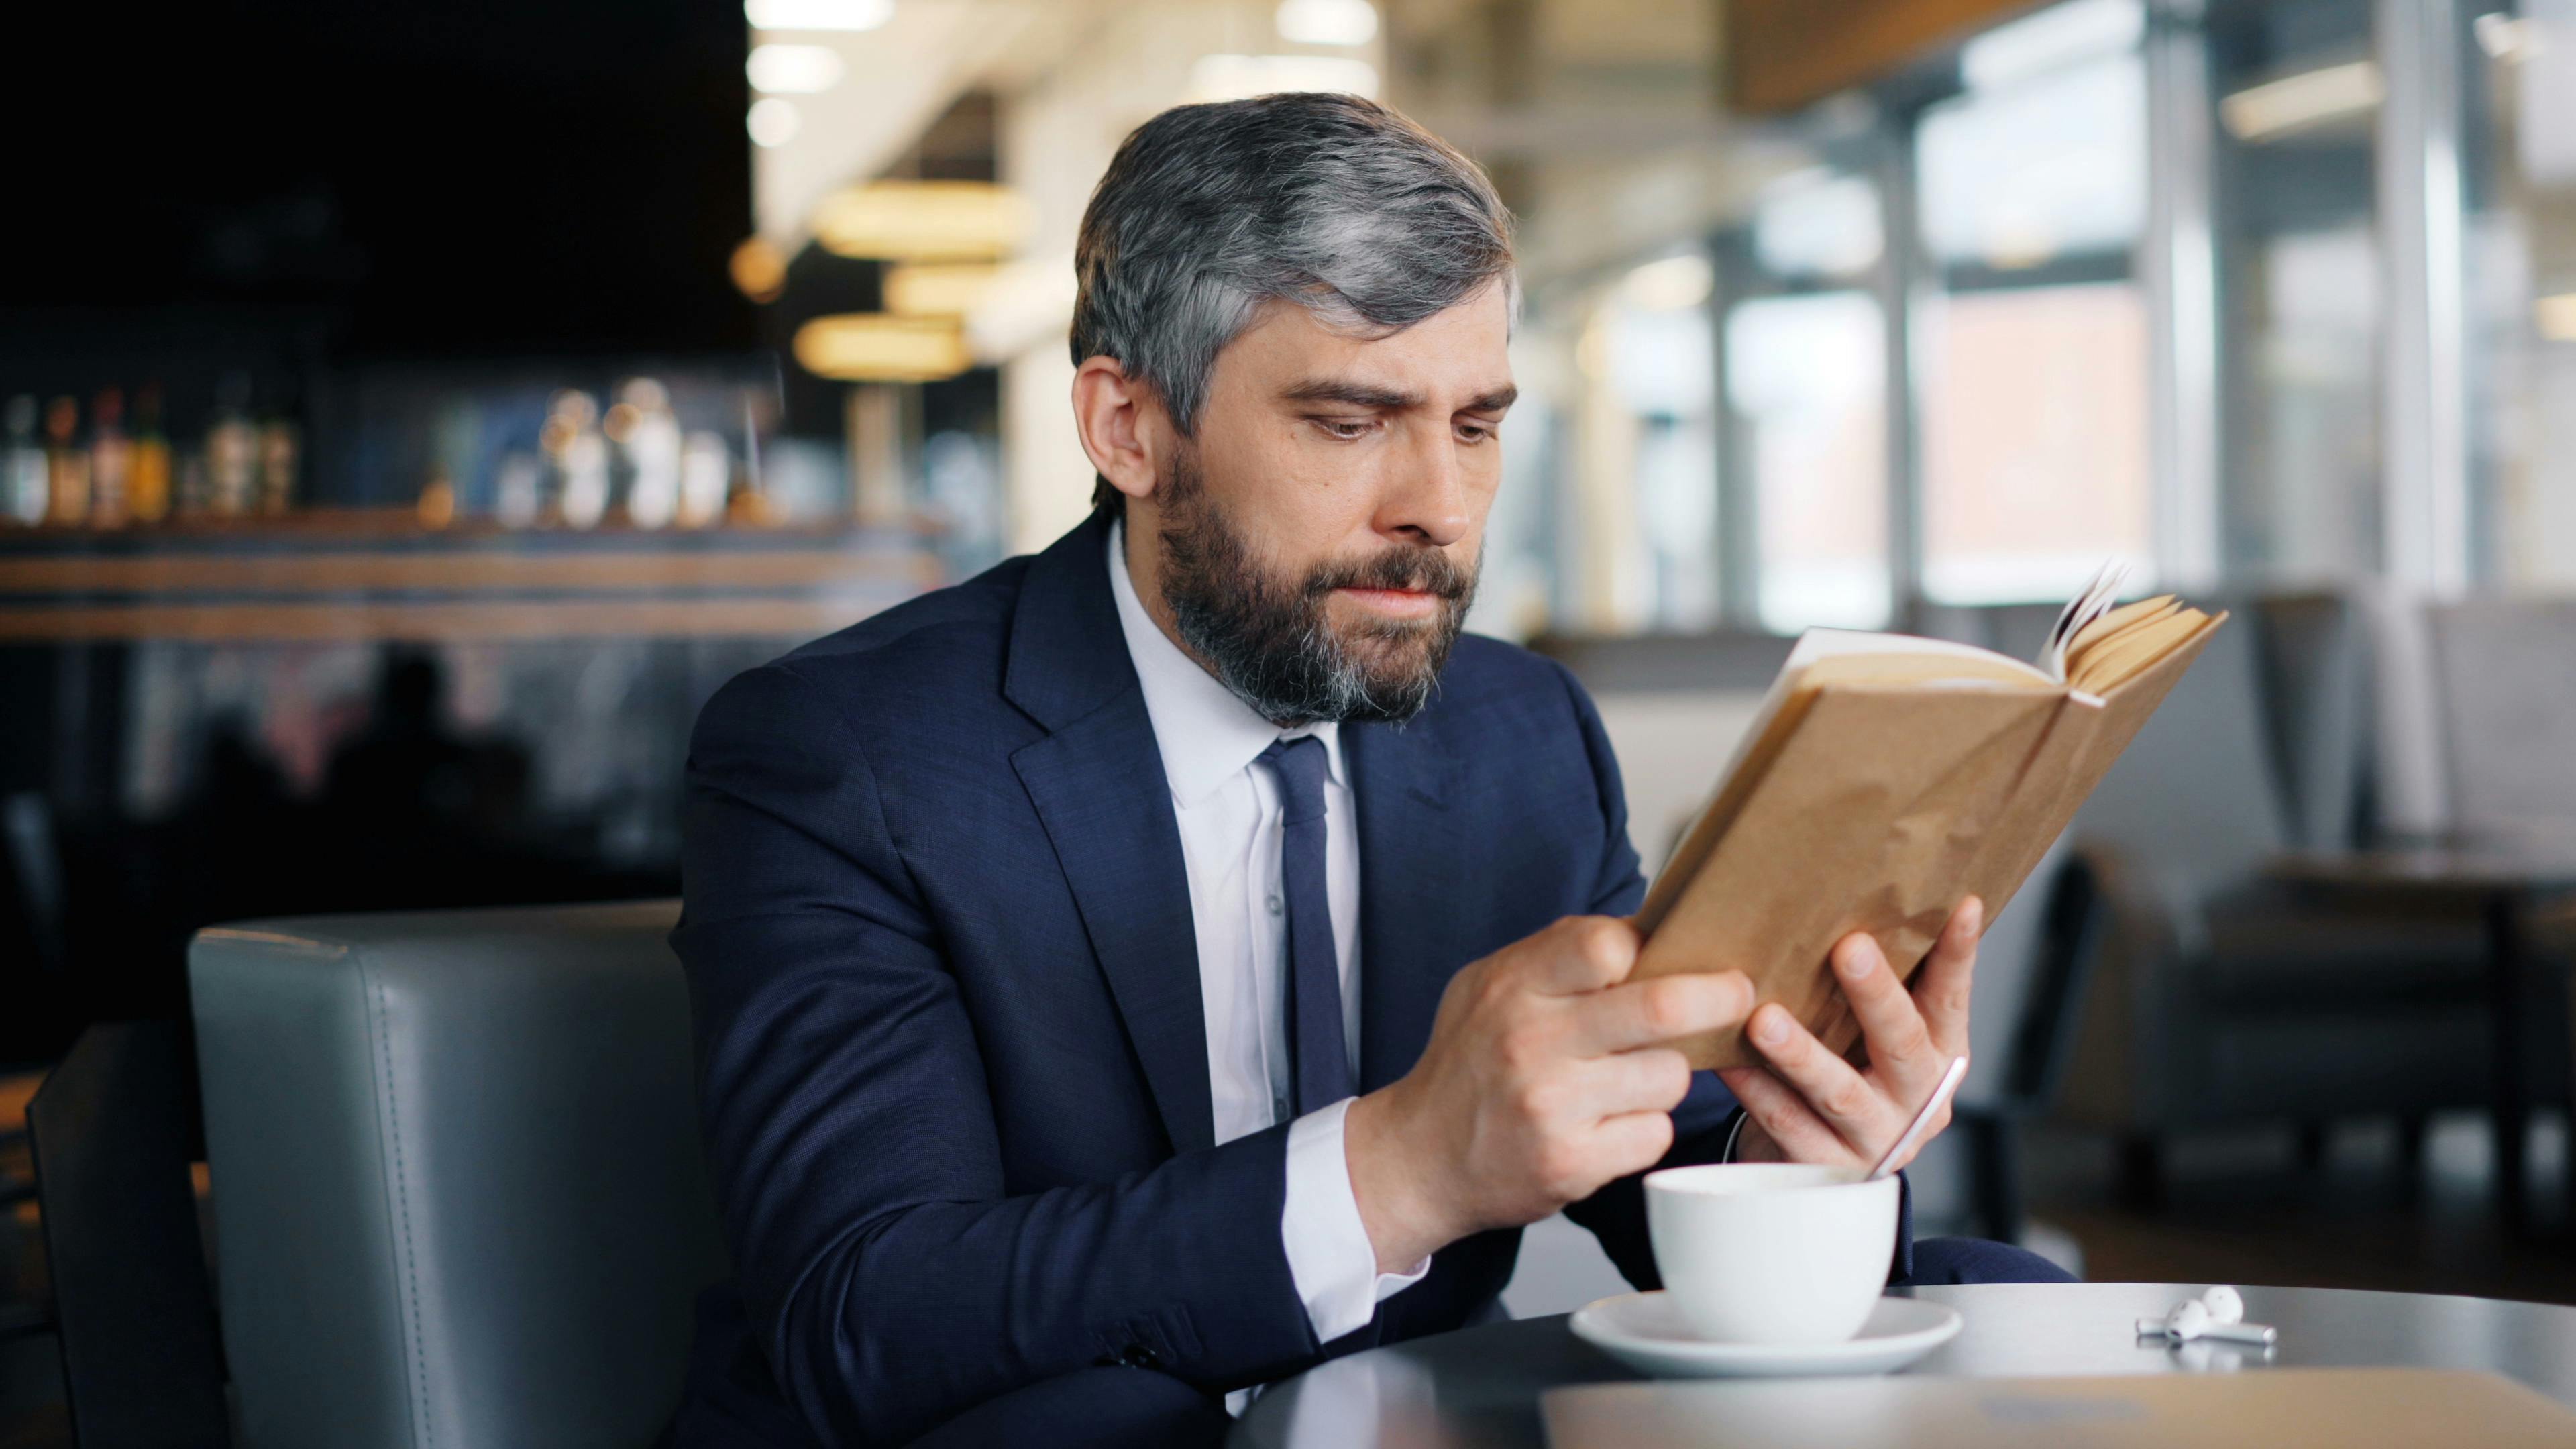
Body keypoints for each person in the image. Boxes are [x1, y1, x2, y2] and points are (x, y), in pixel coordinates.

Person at [667, 93, 2069, 1449]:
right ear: (1127, 429)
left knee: (2005, 1298)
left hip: (1395, 1427)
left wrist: (1804, 1149)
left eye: (1476, 425)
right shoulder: (845, 756)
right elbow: (869, 1321)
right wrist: (1400, 1167)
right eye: (1348, 424)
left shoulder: (1521, 735)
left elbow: (1666, 1175)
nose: (1441, 510)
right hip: (1026, 1427)